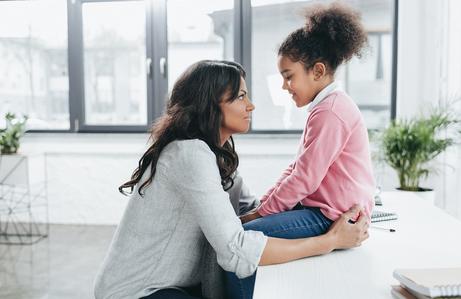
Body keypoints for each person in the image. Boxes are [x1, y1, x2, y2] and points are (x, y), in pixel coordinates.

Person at [94, 60, 369, 299]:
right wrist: (330, 241)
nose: (250, 105)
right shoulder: (188, 154)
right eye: (240, 97)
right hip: (139, 292)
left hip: (176, 286)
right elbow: (235, 248)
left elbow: (253, 213)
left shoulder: (216, 157)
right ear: (209, 105)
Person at [231, 3, 376, 298]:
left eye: (289, 76)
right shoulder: (326, 106)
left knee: (242, 239)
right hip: (320, 208)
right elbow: (298, 168)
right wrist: (264, 203)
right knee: (251, 221)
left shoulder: (331, 111)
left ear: (318, 71)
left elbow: (304, 180)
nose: (285, 86)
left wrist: (259, 214)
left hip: (330, 215)